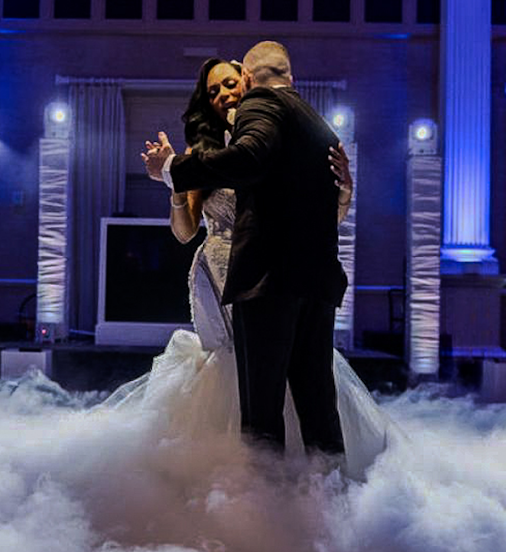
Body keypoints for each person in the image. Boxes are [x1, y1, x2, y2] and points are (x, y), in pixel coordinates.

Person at [141, 43, 388, 474]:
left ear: (249, 79)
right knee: (306, 400)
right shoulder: (303, 120)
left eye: (231, 83)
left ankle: (266, 512)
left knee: (264, 409)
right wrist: (177, 183)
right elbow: (185, 231)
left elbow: (254, 162)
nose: (223, 94)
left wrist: (171, 168)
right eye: (213, 91)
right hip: (240, 277)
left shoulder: (263, 115)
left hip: (266, 279)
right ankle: (325, 501)